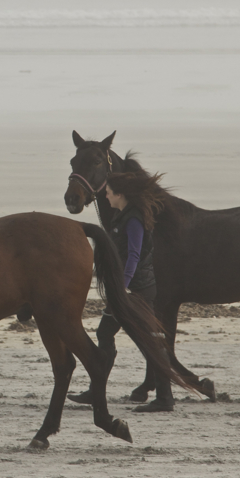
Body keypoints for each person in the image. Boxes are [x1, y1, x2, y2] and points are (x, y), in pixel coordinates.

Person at [67, 172, 175, 412]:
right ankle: (97, 390)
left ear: (119, 195)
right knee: (107, 332)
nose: (105, 195)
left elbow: (135, 255)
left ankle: (165, 398)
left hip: (137, 290)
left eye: (108, 192)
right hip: (131, 289)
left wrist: (122, 286)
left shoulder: (133, 219)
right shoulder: (122, 215)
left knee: (148, 340)